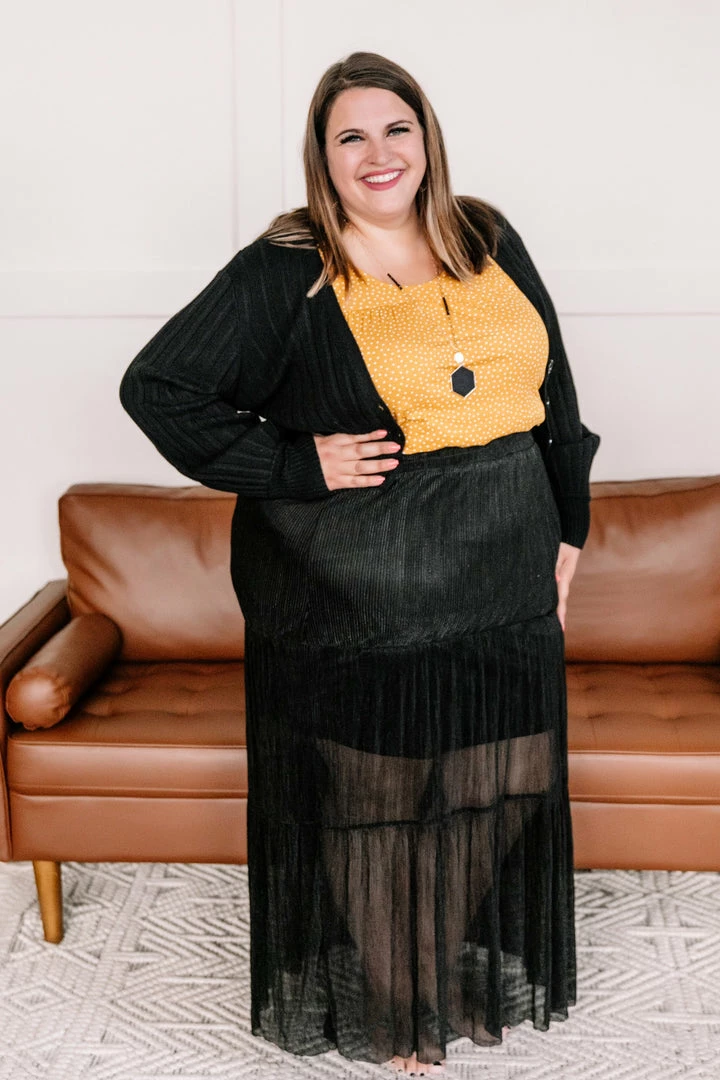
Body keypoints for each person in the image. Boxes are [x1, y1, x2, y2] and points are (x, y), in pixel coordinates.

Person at [120, 50, 600, 1078]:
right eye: (351, 136)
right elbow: (158, 388)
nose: (379, 153)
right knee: (379, 801)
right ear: (323, 156)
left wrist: (571, 531)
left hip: (503, 567)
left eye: (396, 129)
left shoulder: (487, 234)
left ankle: (430, 949)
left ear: (426, 137)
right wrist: (296, 463)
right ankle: (398, 999)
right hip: (363, 587)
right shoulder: (287, 269)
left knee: (506, 779)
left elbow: (555, 388)